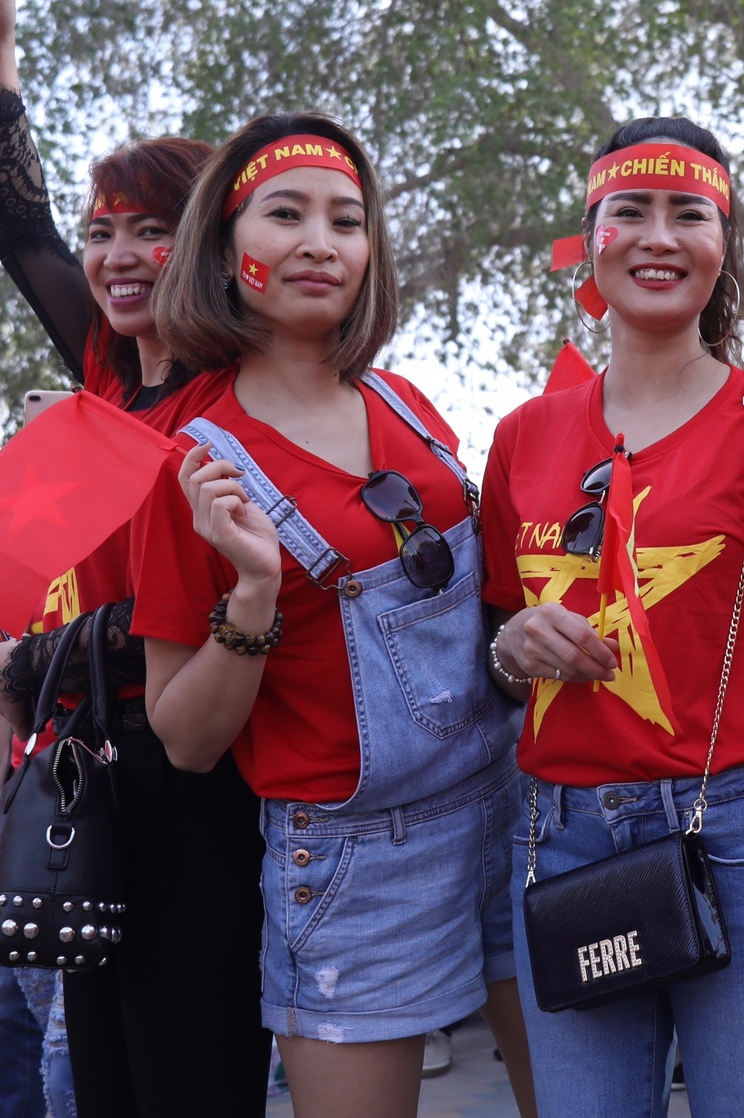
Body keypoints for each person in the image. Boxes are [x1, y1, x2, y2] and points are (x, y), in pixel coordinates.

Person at [129, 113, 537, 1118]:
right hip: (359, 866)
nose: (320, 240)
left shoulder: (409, 403)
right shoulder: (188, 462)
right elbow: (183, 735)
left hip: (520, 812)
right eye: (285, 213)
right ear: (228, 253)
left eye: (346, 219)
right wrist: (255, 595)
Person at [482, 118, 744, 1118]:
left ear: (724, 250)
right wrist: (510, 644)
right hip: (563, 840)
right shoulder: (522, 436)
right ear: (590, 240)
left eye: (688, 214)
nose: (658, 235)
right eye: (631, 210)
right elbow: (495, 657)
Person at [0, 0, 272, 1118]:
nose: (120, 253)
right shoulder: (97, 369)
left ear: (210, 245)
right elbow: (15, 226)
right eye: (106, 230)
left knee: (190, 1063)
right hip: (86, 760)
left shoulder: (244, 389)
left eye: (154, 226)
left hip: (204, 760)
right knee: (105, 1072)